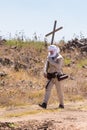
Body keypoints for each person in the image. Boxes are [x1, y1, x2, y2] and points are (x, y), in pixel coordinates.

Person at [39, 44, 64, 109]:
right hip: (50, 76)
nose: (50, 52)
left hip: (57, 76)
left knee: (59, 91)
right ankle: (44, 104)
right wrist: (45, 71)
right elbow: (46, 65)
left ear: (55, 50)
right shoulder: (49, 57)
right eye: (50, 51)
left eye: (51, 51)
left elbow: (58, 66)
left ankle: (61, 104)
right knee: (48, 90)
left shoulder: (60, 57)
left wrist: (51, 61)